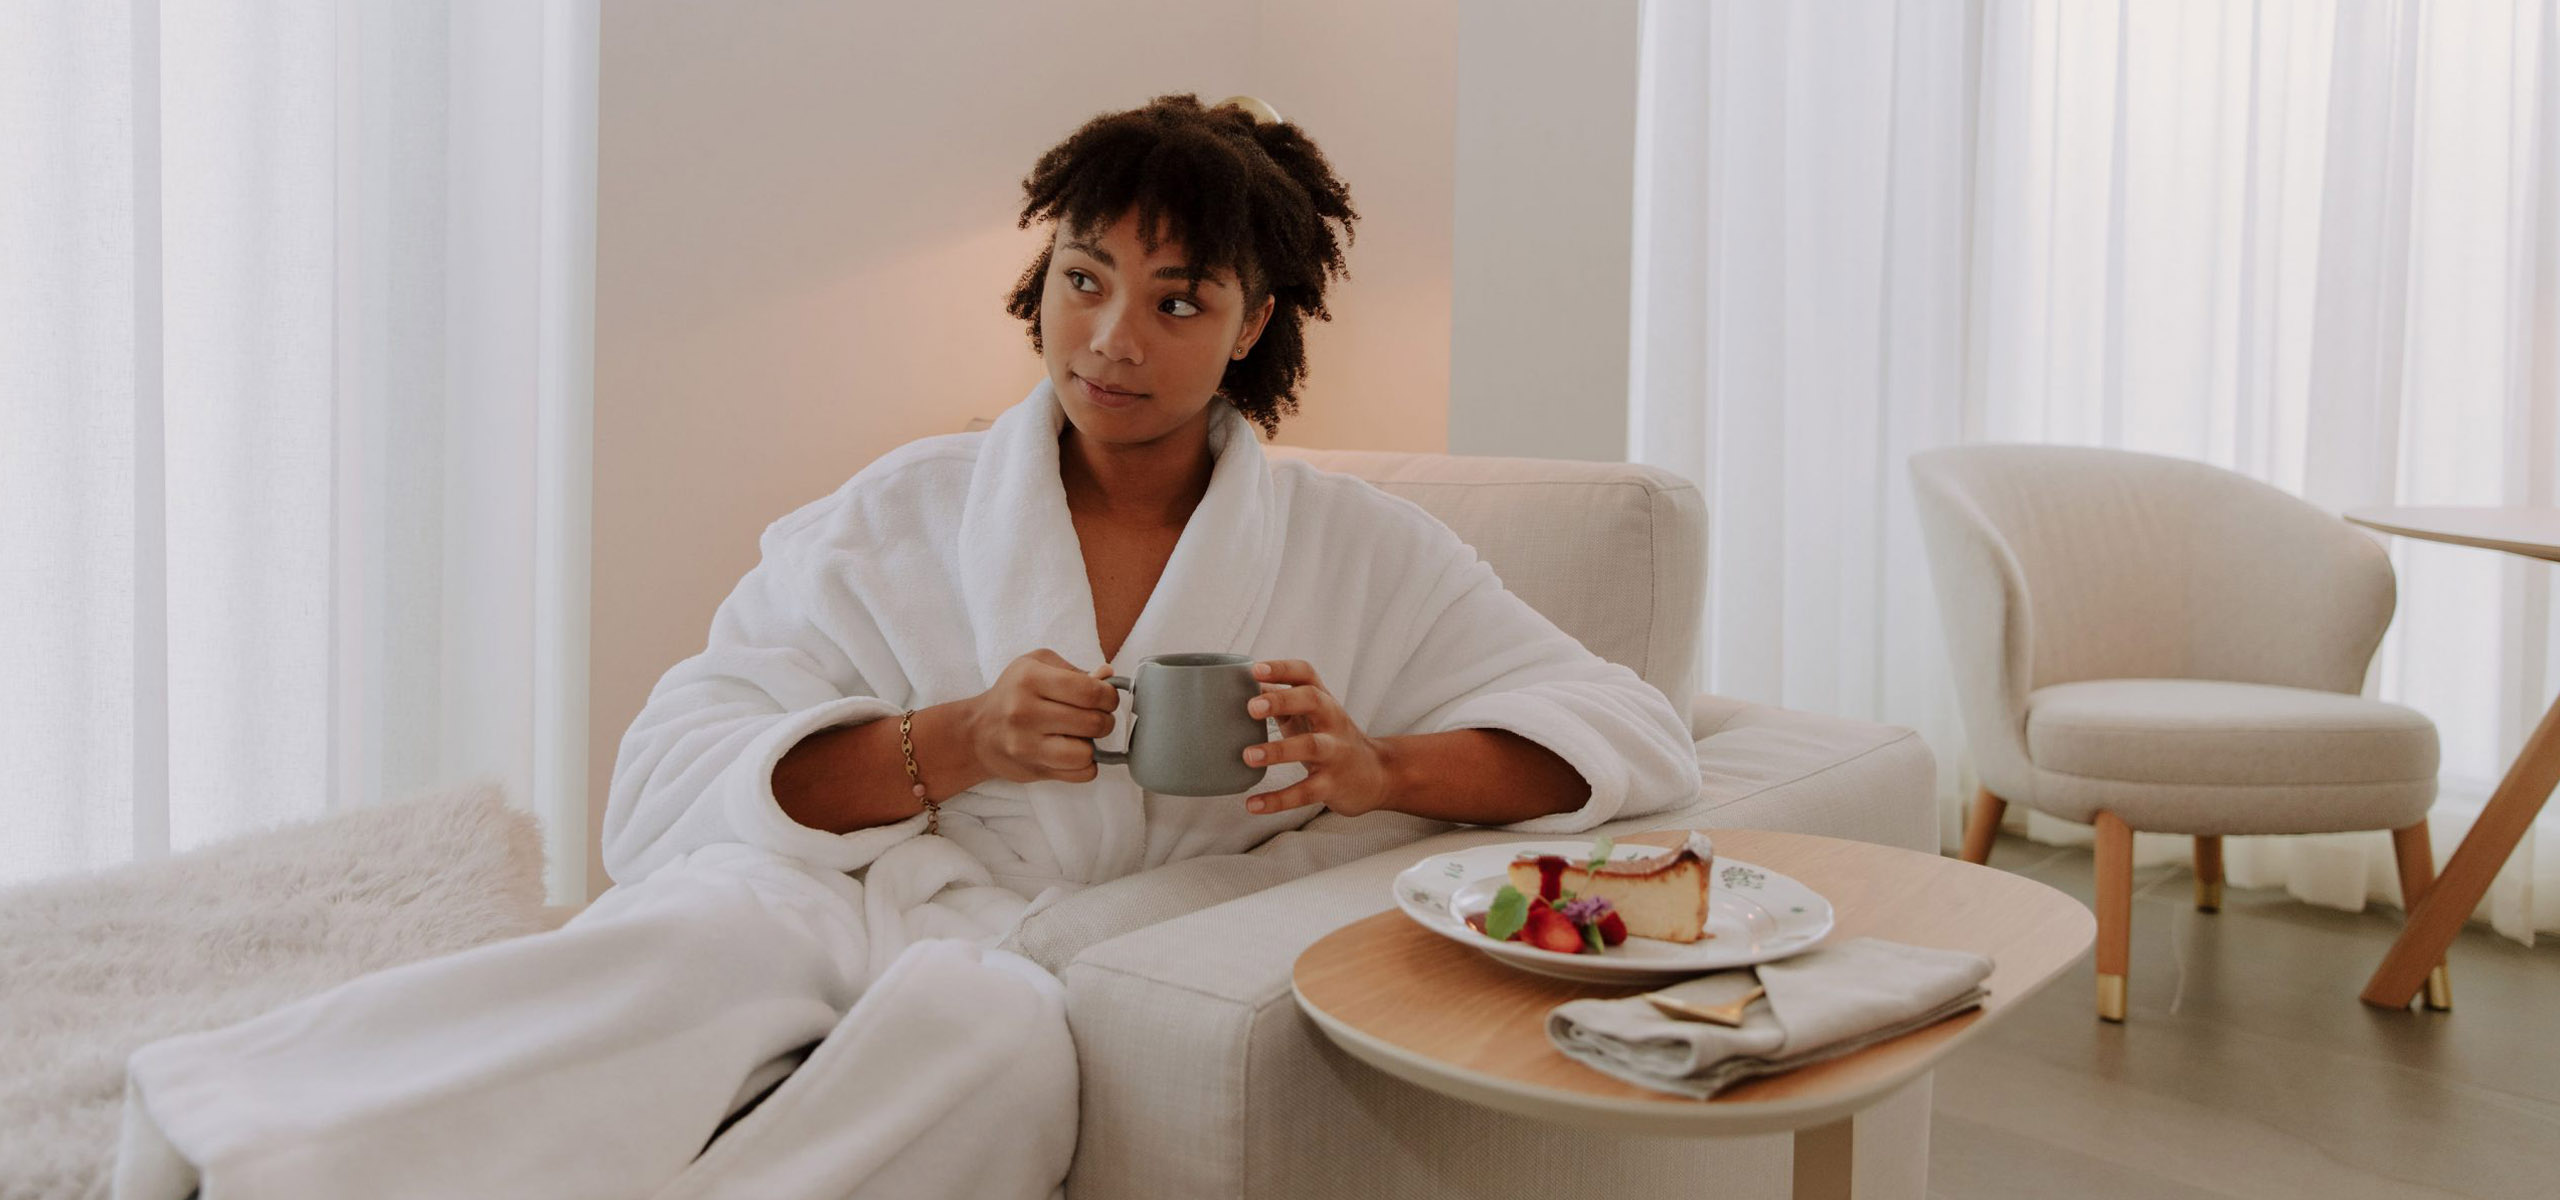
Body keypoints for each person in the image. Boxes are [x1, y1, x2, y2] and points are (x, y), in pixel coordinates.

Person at [113, 94, 1701, 1200]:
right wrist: (946, 743)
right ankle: (240, 1134)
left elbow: (1622, 723)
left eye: (1173, 300)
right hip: (870, 890)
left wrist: (1376, 762)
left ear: (1253, 323)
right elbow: (673, 759)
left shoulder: (1365, 552)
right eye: (1084, 281)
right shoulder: (909, 508)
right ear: (1043, 278)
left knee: (989, 1039)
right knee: (708, 934)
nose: (1110, 341)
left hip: (1059, 959)